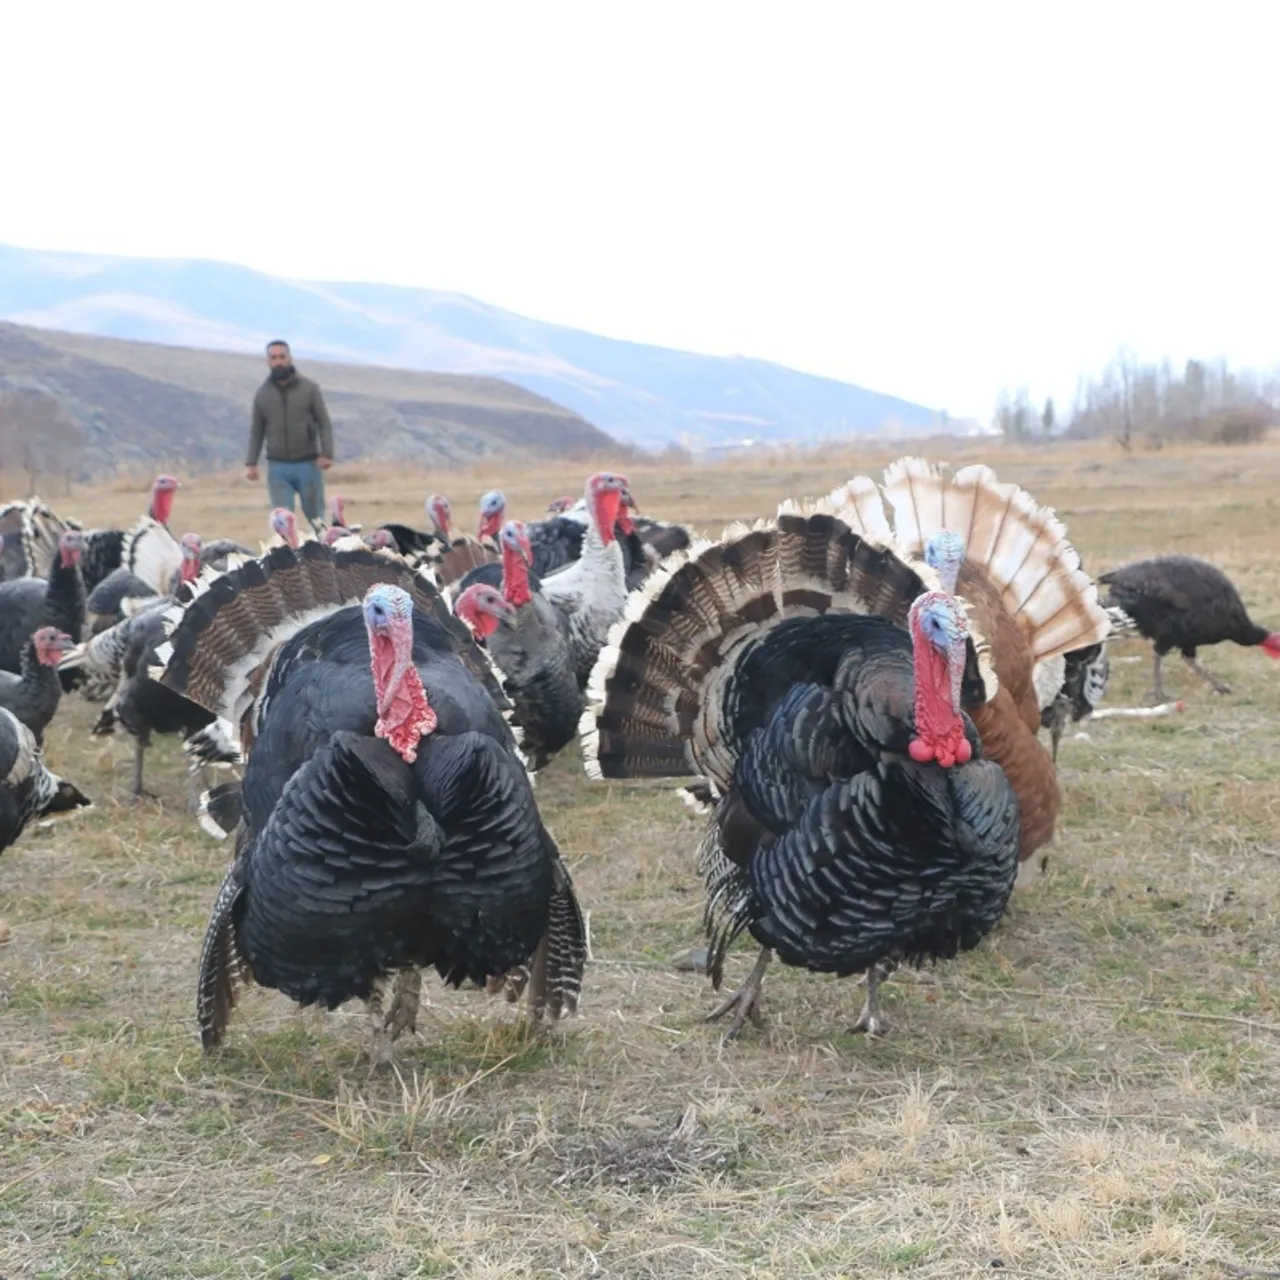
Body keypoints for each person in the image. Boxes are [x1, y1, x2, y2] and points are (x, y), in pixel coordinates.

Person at [244, 340, 334, 523]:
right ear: (268, 361)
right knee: (282, 521)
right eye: (273, 357)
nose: (278, 362)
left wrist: (327, 453)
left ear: (290, 358)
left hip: (308, 465)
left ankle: (322, 550)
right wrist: (251, 462)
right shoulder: (262, 394)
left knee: (317, 520)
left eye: (282, 357)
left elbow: (323, 422)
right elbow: (257, 430)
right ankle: (289, 552)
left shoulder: (309, 389)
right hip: (278, 468)